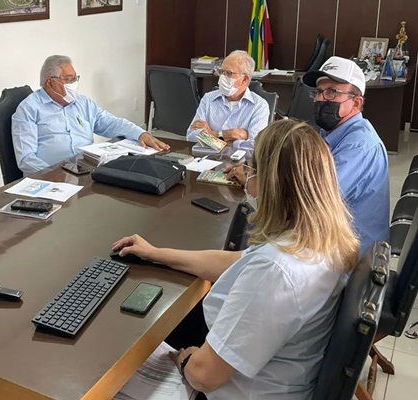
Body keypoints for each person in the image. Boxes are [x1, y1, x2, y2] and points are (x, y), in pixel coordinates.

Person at [112, 119, 359, 399]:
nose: (248, 182)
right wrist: (156, 254)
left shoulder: (276, 270)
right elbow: (236, 262)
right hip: (281, 373)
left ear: (273, 185)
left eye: (253, 171)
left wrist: (184, 359)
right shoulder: (319, 240)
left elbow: (204, 377)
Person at [12, 55, 169, 174]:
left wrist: (140, 133)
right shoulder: (28, 109)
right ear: (49, 83)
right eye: (68, 79)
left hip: (86, 171)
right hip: (52, 179)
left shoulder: (82, 103)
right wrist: (54, 174)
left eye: (75, 78)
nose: (73, 84)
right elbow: (26, 159)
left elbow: (110, 122)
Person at [302, 56, 389, 256]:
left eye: (332, 92)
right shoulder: (328, 133)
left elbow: (313, 200)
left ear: (356, 103)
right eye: (319, 92)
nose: (322, 99)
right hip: (327, 240)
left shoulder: (360, 145)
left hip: (346, 260)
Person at [186, 50, 270, 150]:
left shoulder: (259, 106)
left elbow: (254, 146)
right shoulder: (208, 99)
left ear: (244, 79)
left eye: (229, 73)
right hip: (207, 160)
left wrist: (211, 134)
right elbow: (191, 136)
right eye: (222, 72)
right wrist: (226, 135)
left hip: (240, 163)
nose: (222, 77)